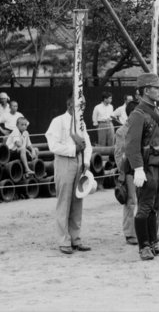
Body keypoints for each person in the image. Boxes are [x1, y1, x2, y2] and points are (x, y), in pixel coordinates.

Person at [126, 73, 159, 260]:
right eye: (157, 87)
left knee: (155, 207)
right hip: (148, 167)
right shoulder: (138, 114)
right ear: (146, 91)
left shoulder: (157, 112)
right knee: (145, 208)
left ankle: (154, 243)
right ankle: (144, 247)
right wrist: (138, 169)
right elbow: (131, 145)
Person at [45, 95, 93, 254]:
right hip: (64, 161)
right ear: (70, 105)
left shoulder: (82, 123)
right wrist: (73, 150)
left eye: (84, 105)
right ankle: (63, 240)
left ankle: (75, 238)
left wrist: (86, 162)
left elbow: (88, 144)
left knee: (77, 200)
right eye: (80, 104)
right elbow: (53, 146)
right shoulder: (58, 121)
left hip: (79, 162)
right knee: (64, 200)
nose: (83, 107)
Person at [113, 98, 140, 246]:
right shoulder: (121, 131)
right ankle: (129, 232)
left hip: (142, 169)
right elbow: (118, 153)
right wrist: (122, 173)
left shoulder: (143, 128)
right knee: (131, 201)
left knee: (143, 201)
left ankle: (142, 230)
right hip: (129, 170)